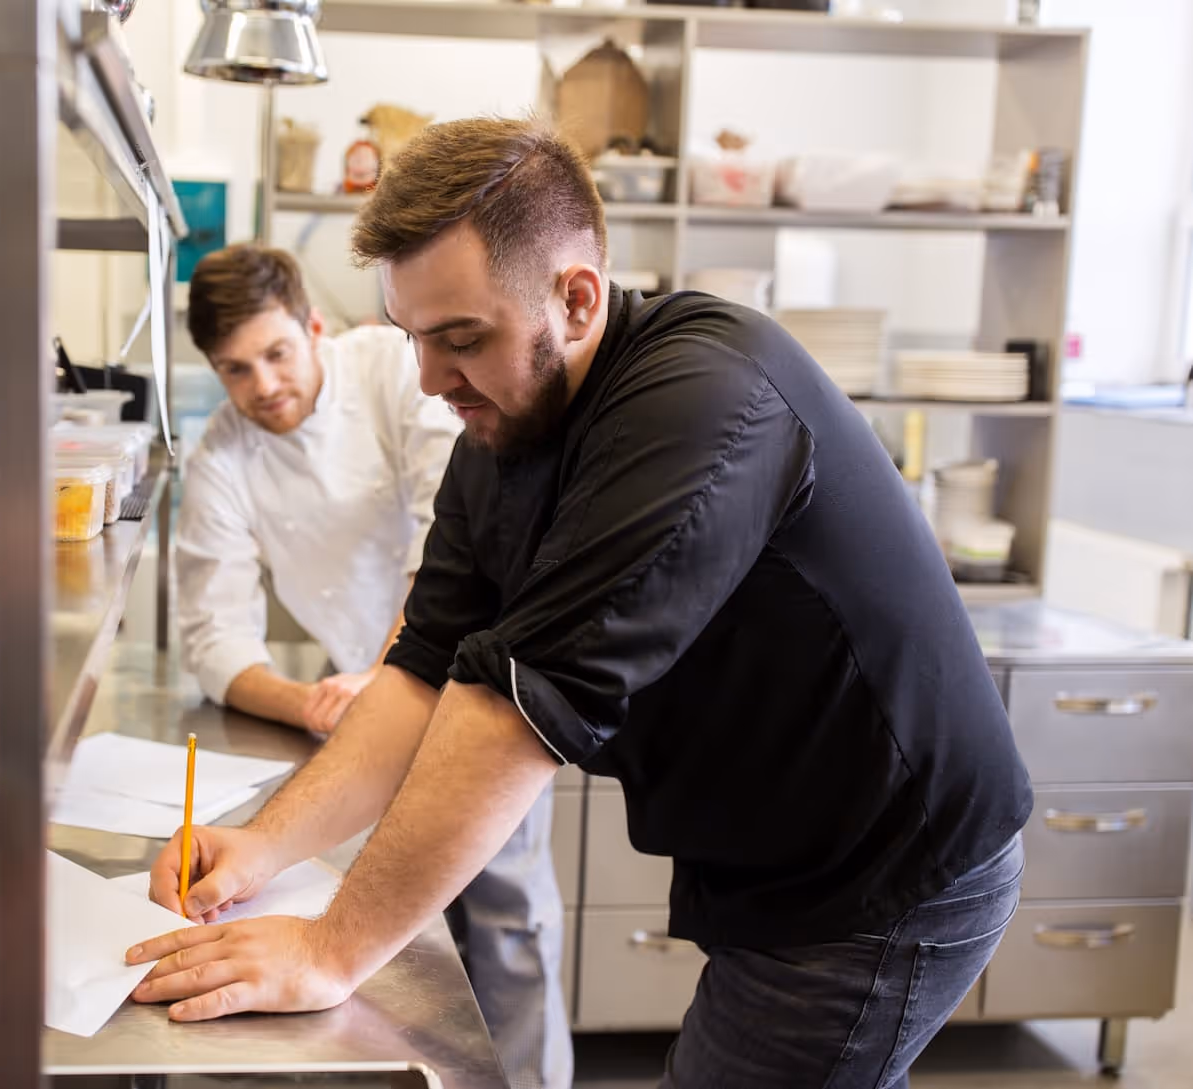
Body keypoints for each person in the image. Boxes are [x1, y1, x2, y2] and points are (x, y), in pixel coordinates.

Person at [130, 120, 1031, 1089]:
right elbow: (425, 669)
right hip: (773, 855)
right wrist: (265, 845)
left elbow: (512, 710)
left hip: (882, 870)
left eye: (459, 340)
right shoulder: (502, 425)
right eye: (413, 341)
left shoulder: (700, 401)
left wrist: (330, 949)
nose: (431, 382)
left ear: (576, 298)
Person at [174, 242, 573, 1089]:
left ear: (314, 327)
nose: (264, 385)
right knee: (393, 939)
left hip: (487, 687)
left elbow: (451, 541)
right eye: (236, 370)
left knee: (506, 921)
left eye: (278, 353)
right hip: (362, 715)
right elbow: (212, 635)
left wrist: (394, 667)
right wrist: (312, 704)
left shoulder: (398, 372)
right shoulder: (220, 459)